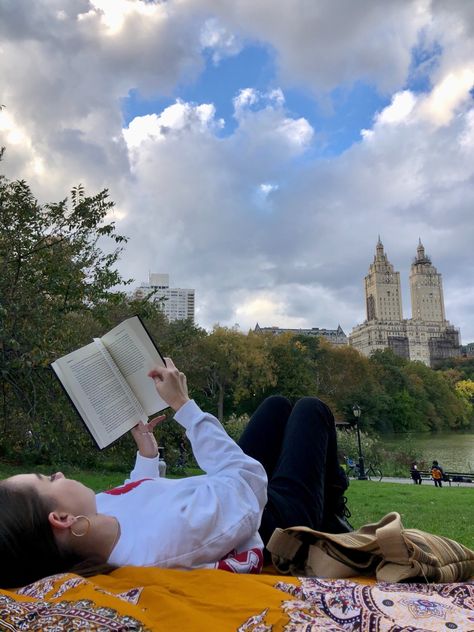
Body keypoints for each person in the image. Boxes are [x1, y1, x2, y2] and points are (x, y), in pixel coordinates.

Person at [0, 359, 351, 589]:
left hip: (221, 494)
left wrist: (147, 455)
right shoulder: (169, 540)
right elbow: (249, 480)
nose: (58, 473)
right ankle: (330, 516)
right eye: (49, 480)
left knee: (276, 406)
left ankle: (326, 502)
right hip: (266, 518)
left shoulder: (93, 524)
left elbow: (138, 497)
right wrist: (184, 407)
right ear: (61, 518)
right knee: (311, 410)